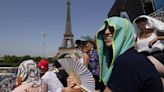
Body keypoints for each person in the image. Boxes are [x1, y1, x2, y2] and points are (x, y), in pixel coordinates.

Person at [95, 17, 163, 92]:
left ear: (126, 33)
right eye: (104, 29)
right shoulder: (137, 39)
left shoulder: (127, 62)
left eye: (112, 29)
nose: (106, 32)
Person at [133, 15, 164, 87]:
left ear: (146, 21)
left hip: (159, 55)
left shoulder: (155, 31)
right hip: (144, 58)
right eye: (138, 22)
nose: (140, 23)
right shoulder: (137, 36)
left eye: (142, 20)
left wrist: (156, 38)